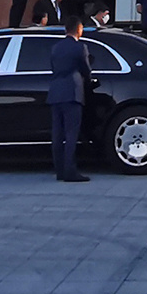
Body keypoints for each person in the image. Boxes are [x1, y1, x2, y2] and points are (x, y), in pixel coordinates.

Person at [47, 16, 95, 182]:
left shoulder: (55, 48)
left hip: (55, 92)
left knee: (57, 134)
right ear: (79, 29)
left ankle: (59, 170)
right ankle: (70, 171)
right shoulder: (80, 47)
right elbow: (86, 70)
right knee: (71, 134)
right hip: (72, 92)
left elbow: (53, 68)